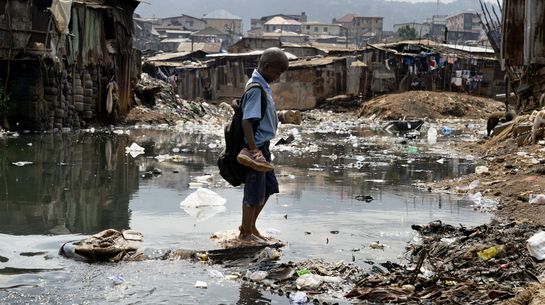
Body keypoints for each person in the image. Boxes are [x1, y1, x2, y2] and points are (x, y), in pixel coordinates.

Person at [237, 47, 289, 242]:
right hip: (255, 149)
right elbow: (247, 122)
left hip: (263, 147)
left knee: (268, 187)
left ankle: (250, 226)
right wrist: (254, 151)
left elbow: (262, 116)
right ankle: (245, 232)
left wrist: (282, 116)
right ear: (267, 67)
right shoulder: (256, 89)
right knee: (253, 191)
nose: (277, 77)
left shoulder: (263, 86)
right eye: (277, 73)